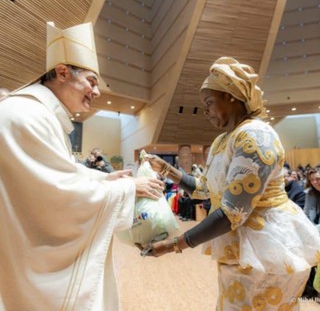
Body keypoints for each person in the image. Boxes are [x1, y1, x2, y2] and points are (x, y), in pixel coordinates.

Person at [0, 22, 164, 311]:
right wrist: (128, 187)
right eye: (91, 80)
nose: (97, 91)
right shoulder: (26, 114)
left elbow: (56, 173)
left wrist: (105, 179)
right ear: (63, 72)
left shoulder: (38, 113)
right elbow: (56, 192)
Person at [145, 57, 320, 310]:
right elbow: (206, 188)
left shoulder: (255, 135)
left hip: (266, 245)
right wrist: (167, 169)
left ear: (231, 96)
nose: (205, 111)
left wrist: (174, 245)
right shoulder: (223, 141)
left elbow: (231, 212)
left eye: (209, 103)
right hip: (243, 244)